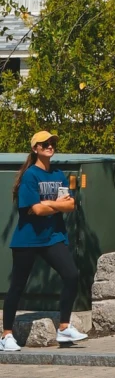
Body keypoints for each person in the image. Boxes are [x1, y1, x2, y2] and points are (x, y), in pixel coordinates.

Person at [2, 130, 89, 350]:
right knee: (18, 287)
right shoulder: (30, 176)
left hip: (53, 237)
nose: (50, 146)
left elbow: (70, 205)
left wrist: (48, 205)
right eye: (45, 143)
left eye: (52, 143)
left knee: (71, 275)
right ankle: (6, 336)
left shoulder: (58, 174)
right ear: (35, 149)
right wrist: (55, 204)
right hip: (27, 240)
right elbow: (35, 210)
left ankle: (64, 328)